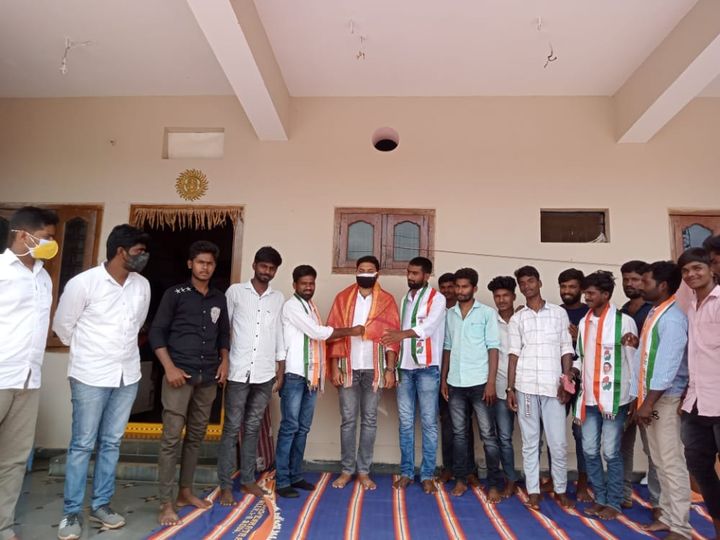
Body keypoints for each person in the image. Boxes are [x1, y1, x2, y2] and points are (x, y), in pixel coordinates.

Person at [53, 224, 151, 540]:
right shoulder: (84, 283)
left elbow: (137, 325)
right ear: (121, 251)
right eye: (139, 251)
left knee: (111, 442)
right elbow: (63, 327)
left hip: (127, 375)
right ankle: (71, 512)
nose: (144, 256)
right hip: (90, 375)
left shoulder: (142, 286)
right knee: (83, 444)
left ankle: (101, 505)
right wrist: (91, 352)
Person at [150, 241, 230, 525]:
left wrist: (224, 361)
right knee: (171, 438)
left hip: (207, 376)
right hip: (179, 376)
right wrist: (169, 367)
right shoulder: (175, 294)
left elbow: (224, 335)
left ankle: (185, 492)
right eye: (200, 262)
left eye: (210, 263)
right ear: (190, 264)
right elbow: (157, 333)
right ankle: (166, 502)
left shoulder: (219, 298)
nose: (205, 267)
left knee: (195, 437)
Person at [276, 265, 363, 498]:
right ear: (294, 285)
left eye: (311, 283)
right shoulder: (292, 306)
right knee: (290, 427)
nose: (308, 287)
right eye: (303, 283)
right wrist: (351, 331)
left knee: (303, 428)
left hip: (311, 377)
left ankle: (295, 475)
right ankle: (282, 480)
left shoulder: (311, 307)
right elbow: (317, 333)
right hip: (295, 374)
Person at [0, 207, 58, 540]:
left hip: (28, 380)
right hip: (1, 374)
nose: (51, 244)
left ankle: (3, 526)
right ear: (24, 235)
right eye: (46, 237)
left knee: (13, 460)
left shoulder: (43, 277)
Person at [327, 255, 400, 491]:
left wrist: (390, 369)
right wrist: (334, 367)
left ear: (377, 273)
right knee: (348, 420)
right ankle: (347, 470)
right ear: (355, 272)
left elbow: (391, 338)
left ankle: (364, 471)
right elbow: (334, 333)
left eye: (370, 270)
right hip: (347, 366)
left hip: (374, 367)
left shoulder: (387, 301)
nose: (365, 273)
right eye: (361, 269)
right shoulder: (343, 298)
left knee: (369, 420)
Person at [218, 246, 285, 502]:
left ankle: (247, 480)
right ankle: (225, 485)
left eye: (272, 268)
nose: (267, 271)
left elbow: (278, 333)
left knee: (254, 427)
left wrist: (280, 368)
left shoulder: (277, 298)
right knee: (232, 427)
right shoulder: (235, 292)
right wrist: (224, 361)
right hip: (238, 370)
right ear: (254, 265)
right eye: (263, 266)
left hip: (264, 373)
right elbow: (224, 330)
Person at [506, 265, 575, 511]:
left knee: (558, 443)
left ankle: (560, 489)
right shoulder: (518, 318)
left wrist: (566, 380)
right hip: (525, 387)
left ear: (539, 282)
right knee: (530, 442)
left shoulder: (558, 313)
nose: (527, 286)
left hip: (553, 387)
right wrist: (510, 389)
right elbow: (513, 355)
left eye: (530, 281)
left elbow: (566, 349)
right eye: (522, 283)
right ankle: (533, 491)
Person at [631, 261, 691, 539]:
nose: (640, 286)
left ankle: (681, 527)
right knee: (659, 461)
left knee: (671, 463)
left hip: (663, 400)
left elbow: (667, 366)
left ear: (663, 285)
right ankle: (667, 516)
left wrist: (648, 403)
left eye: (645, 281)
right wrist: (638, 398)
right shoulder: (657, 312)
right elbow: (643, 360)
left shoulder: (673, 318)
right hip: (651, 399)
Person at [571, 271, 637, 520]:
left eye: (591, 293)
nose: (586, 297)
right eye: (585, 293)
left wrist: (635, 397)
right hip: (588, 398)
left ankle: (614, 502)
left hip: (614, 400)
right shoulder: (584, 323)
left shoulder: (624, 322)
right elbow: (581, 357)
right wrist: (572, 372)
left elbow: (632, 361)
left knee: (610, 452)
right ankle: (600, 498)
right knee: (589, 450)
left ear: (606, 295)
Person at [381, 257, 445, 494]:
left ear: (427, 276)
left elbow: (428, 328)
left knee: (429, 423)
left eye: (415, 273)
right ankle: (407, 472)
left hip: (427, 368)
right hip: (405, 368)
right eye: (409, 272)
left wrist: (401, 334)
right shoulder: (405, 298)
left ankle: (427, 474)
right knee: (406, 423)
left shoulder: (437, 298)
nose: (410, 277)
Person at [440, 268, 502, 500]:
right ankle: (460, 479)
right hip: (455, 383)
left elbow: (493, 348)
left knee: (488, 435)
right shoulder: (450, 314)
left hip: (480, 383)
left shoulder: (487, 313)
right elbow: (447, 347)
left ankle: (493, 483)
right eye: (457, 286)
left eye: (464, 286)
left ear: (474, 288)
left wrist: (491, 383)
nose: (460, 290)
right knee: (459, 434)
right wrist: (444, 379)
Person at [678, 247, 720, 539]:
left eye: (697, 268)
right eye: (685, 271)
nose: (691, 275)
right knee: (700, 470)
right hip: (695, 402)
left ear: (711, 268)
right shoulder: (692, 304)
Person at [617, 260, 660, 514]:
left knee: (652, 448)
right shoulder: (621, 313)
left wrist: (639, 344)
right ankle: (623, 495)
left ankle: (658, 502)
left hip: (648, 391)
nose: (630, 284)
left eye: (634, 279)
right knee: (621, 446)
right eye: (626, 279)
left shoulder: (654, 310)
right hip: (623, 390)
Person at [437, 273, 476, 484]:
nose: (446, 291)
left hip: (468, 377)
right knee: (447, 423)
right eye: (442, 287)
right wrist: (443, 378)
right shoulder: (438, 312)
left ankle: (469, 470)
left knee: (466, 425)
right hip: (445, 376)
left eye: (450, 287)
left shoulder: (468, 312)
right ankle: (449, 468)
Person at [556, 268, 590, 502]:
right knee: (555, 430)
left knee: (580, 433)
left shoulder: (590, 313)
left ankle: (583, 483)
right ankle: (556, 479)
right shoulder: (554, 312)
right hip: (557, 379)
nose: (567, 291)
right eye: (563, 286)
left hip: (584, 382)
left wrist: (579, 338)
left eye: (572, 287)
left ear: (581, 289)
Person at [487, 275, 522, 498]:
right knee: (504, 437)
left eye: (505, 296)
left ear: (514, 296)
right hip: (500, 387)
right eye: (497, 296)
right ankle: (510, 479)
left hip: (526, 386)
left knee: (533, 438)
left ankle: (535, 481)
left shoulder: (523, 319)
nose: (501, 300)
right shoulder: (490, 320)